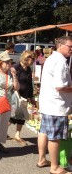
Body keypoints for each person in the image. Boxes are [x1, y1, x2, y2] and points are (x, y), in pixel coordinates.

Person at [37, 36, 72, 174]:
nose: (71, 49)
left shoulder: (52, 58)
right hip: (56, 105)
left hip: (48, 103)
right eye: (70, 46)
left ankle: (41, 159)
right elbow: (60, 86)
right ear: (60, 46)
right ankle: (55, 167)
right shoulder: (60, 61)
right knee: (55, 137)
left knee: (44, 132)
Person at [9, 50, 36, 146]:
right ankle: (0, 132)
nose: (33, 60)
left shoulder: (28, 69)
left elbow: (29, 84)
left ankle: (17, 135)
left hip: (24, 96)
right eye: (32, 58)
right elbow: (10, 82)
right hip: (15, 96)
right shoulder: (16, 68)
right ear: (26, 58)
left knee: (22, 117)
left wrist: (31, 96)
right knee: (12, 116)